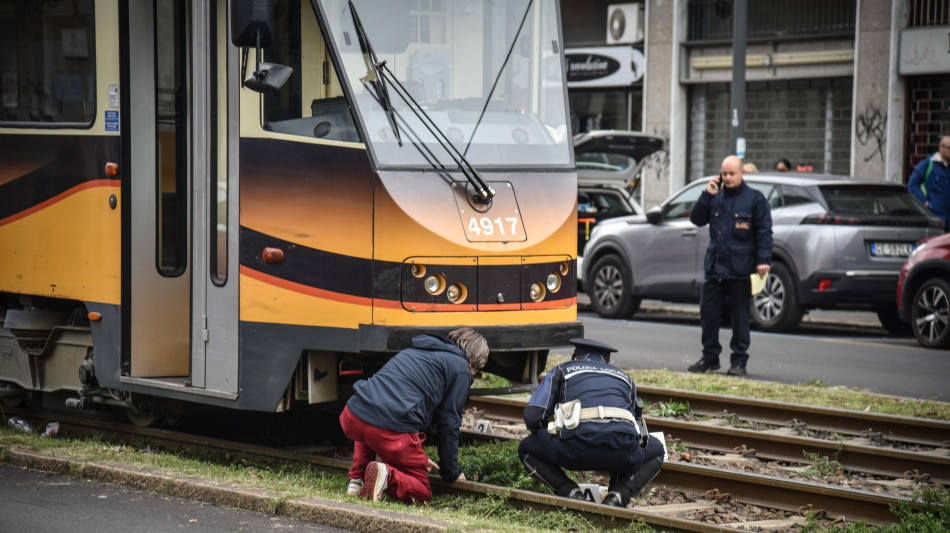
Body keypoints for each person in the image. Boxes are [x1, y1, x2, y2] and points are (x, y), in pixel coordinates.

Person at [339, 327, 489, 503]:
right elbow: (449, 424)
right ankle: (387, 475)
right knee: (422, 491)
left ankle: (357, 480)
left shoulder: (416, 350)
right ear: (472, 362)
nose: (472, 374)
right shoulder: (460, 368)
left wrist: (417, 459)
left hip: (353, 415)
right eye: (475, 371)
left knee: (372, 411)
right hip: (390, 432)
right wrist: (451, 473)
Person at [518, 338, 666, 508]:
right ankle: (619, 494)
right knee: (657, 449)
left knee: (526, 448)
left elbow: (533, 416)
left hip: (571, 452)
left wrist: (549, 433)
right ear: (607, 362)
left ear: (575, 358)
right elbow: (636, 429)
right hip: (623, 454)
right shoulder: (626, 378)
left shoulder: (562, 369)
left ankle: (570, 492)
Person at [688, 155, 773, 377]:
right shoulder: (715, 197)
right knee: (708, 314)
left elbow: (764, 232)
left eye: (731, 173)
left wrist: (764, 260)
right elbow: (696, 219)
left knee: (740, 318)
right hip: (715, 268)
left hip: (740, 269)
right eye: (724, 173)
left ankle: (739, 361)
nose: (727, 177)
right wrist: (707, 194)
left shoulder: (755, 200)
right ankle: (709, 357)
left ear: (742, 173)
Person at [907, 135, 950, 230]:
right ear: (940, 148)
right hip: (934, 217)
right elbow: (912, 185)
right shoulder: (928, 164)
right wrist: (925, 203)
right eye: (949, 148)